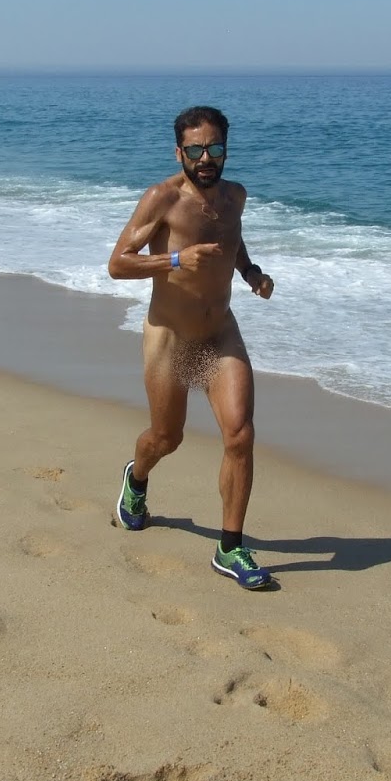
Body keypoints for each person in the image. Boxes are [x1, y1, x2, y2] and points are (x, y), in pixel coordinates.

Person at [107, 105, 277, 590]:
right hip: (171, 339)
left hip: (220, 334)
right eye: (196, 149)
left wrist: (251, 273)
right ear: (179, 152)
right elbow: (118, 264)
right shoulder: (161, 198)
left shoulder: (235, 197)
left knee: (240, 435)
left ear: (226, 149)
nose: (206, 158)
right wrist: (177, 259)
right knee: (167, 438)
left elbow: (231, 241)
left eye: (215, 148)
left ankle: (230, 548)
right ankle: (137, 478)